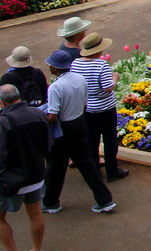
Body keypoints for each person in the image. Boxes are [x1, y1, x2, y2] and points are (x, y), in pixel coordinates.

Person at [41, 50, 115, 215]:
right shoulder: (79, 79)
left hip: (64, 128)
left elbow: (52, 116)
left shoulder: (55, 87)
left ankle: (50, 202)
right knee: (87, 164)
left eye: (51, 65)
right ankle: (104, 200)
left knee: (56, 167)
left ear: (55, 67)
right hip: (80, 123)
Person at [0, 84, 50, 251]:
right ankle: (37, 249)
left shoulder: (3, 123)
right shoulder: (38, 114)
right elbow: (48, 144)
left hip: (11, 179)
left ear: (2, 103)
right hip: (36, 175)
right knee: (35, 213)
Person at [71, 33, 129, 183]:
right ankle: (112, 170)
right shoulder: (100, 65)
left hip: (87, 108)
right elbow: (108, 87)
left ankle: (94, 169)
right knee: (109, 138)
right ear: (98, 50)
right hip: (105, 108)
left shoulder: (76, 64)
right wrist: (115, 77)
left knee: (92, 138)